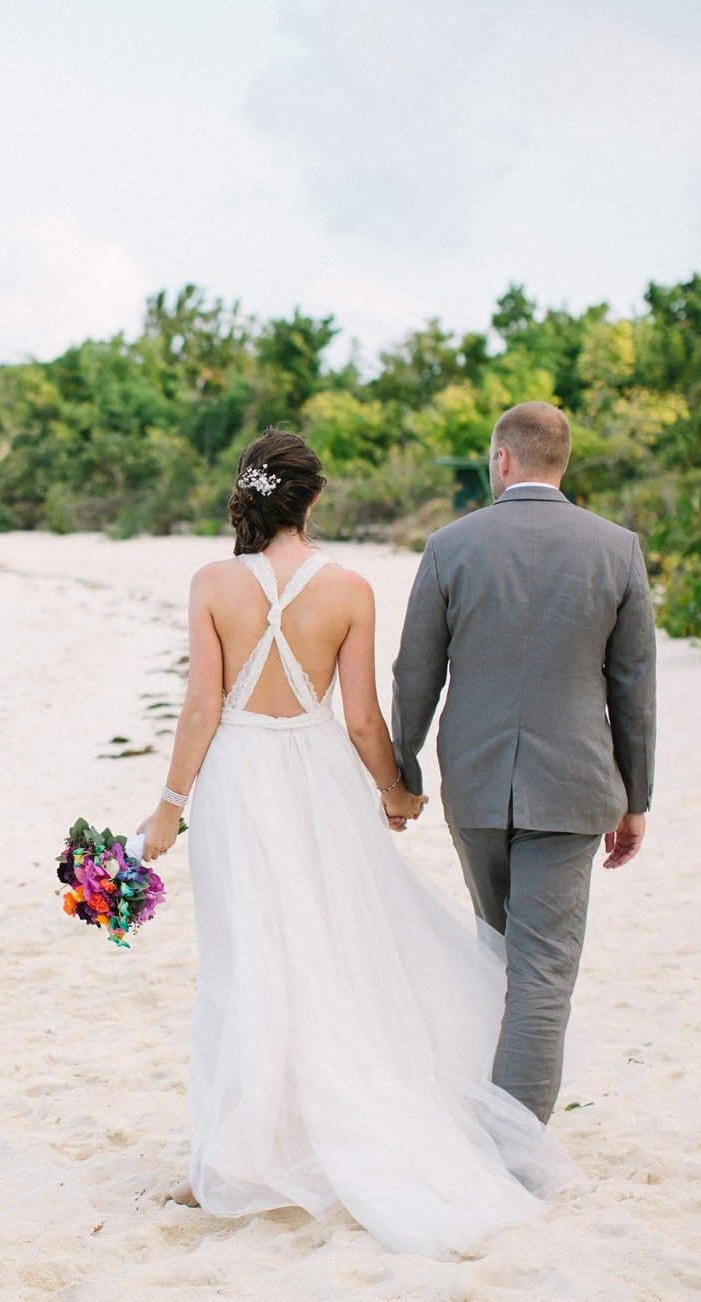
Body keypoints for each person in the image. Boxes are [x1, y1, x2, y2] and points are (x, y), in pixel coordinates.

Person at [135, 428, 585, 1257]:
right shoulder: (348, 588)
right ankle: (290, 1139)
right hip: (318, 784)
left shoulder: (210, 583)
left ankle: (232, 1155)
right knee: (331, 954)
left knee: (244, 958)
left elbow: (200, 711)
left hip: (238, 784)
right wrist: (395, 789)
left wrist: (168, 809)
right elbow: (362, 719)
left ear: (249, 494)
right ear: (312, 499)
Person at [392, 400, 657, 1128]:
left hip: (474, 786)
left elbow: (415, 673)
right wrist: (637, 798)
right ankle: (514, 1147)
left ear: (502, 459)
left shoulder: (450, 545)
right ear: (561, 461)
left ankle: (495, 1122)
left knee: (499, 953)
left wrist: (403, 770)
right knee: (542, 972)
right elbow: (634, 686)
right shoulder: (617, 548)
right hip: (574, 788)